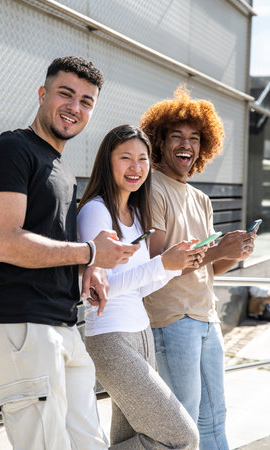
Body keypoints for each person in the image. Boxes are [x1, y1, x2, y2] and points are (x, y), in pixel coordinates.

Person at [0, 57, 139, 450]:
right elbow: (4, 242)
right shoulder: (12, 149)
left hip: (63, 324)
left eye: (86, 101)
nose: (75, 107)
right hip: (20, 325)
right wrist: (91, 251)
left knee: (88, 443)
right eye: (66, 94)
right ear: (43, 94)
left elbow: (58, 245)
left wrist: (89, 268)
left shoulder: (62, 168)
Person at [140, 85, 257, 450]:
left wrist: (229, 255)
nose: (185, 145)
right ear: (158, 142)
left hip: (207, 317)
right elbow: (159, 264)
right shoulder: (151, 188)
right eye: (176, 136)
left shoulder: (200, 198)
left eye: (194, 137)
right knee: (184, 423)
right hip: (172, 319)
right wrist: (219, 247)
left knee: (215, 416)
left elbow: (205, 269)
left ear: (204, 146)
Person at [77, 124, 206, 449]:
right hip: (110, 338)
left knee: (132, 438)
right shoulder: (96, 210)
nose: (136, 167)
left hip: (142, 334)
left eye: (143, 159)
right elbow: (101, 289)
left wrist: (177, 264)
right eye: (125, 158)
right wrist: (163, 264)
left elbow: (139, 288)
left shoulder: (137, 213)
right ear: (108, 162)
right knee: (183, 436)